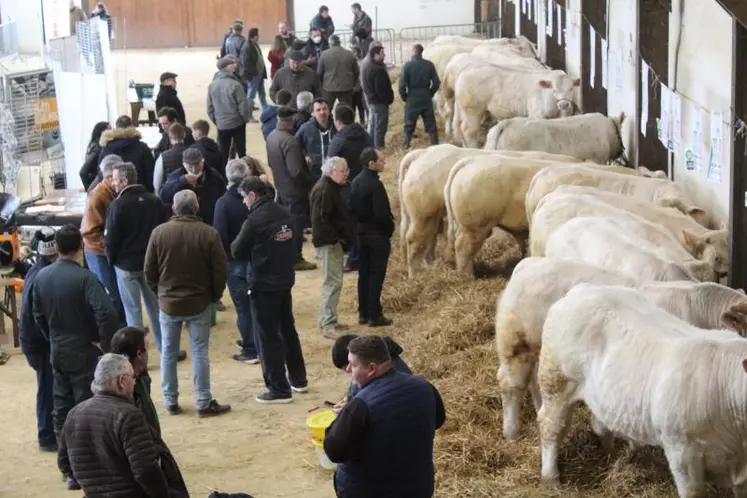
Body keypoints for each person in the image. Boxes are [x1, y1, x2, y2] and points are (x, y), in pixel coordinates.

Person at [32, 225, 120, 489]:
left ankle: (69, 468)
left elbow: (37, 317)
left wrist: (53, 339)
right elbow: (106, 313)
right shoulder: (85, 278)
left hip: (58, 349)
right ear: (80, 247)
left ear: (57, 249)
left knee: (62, 409)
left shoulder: (41, 277)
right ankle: (87, 468)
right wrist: (104, 343)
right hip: (84, 350)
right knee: (85, 409)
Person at [323, 335, 446, 498]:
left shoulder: (361, 405)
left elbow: (334, 451)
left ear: (372, 368)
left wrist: (344, 416)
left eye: (352, 365)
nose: (349, 371)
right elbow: (438, 420)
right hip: (418, 487)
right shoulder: (424, 386)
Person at [144, 190, 231, 417]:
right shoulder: (208, 234)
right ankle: (203, 401)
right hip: (199, 303)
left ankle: (170, 401)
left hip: (168, 304)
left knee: (168, 353)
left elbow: (149, 271)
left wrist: (160, 294)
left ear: (174, 208)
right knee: (200, 352)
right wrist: (214, 296)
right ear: (197, 206)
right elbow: (220, 271)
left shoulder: (159, 233)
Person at [231, 178, 308, 404]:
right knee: (287, 329)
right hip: (285, 279)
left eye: (244, 197)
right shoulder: (285, 213)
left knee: (267, 337)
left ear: (252, 195)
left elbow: (236, 250)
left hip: (263, 284)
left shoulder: (254, 221)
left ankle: (278, 388)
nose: (244, 202)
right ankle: (298, 378)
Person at [57, 353, 177, 497]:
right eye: (132, 377)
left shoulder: (74, 414)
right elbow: (146, 470)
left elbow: (64, 463)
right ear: (121, 381)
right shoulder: (129, 415)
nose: (134, 382)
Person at [105, 162, 188, 362]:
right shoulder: (154, 201)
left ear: (125, 181)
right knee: (157, 309)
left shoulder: (117, 205)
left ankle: (136, 358)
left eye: (115, 180)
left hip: (125, 265)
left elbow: (111, 239)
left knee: (132, 313)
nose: (113, 184)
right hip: (151, 264)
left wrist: (112, 260)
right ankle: (168, 350)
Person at [110, 327, 189, 496]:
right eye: (147, 347)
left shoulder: (141, 377)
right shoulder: (123, 390)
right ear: (139, 353)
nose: (149, 352)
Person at [213, 159, 261, 364]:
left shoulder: (223, 203)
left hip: (234, 261)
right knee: (252, 304)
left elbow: (219, 235)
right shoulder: (256, 198)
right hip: (255, 257)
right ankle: (252, 340)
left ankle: (251, 349)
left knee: (243, 307)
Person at [19, 229, 59, 452]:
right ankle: (46, 435)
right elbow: (37, 320)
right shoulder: (43, 277)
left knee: (48, 386)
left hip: (34, 340)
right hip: (38, 343)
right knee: (46, 388)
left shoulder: (38, 270)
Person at [266, 106, 316, 271]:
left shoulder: (272, 136)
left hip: (281, 186)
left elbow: (271, 163)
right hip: (294, 190)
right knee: (296, 225)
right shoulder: (290, 141)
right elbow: (296, 171)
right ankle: (295, 259)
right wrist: (311, 182)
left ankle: (284, 255)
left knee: (284, 225)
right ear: (293, 119)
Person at [310, 157, 353, 339]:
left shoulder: (329, 187)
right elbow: (320, 220)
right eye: (343, 171)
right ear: (332, 172)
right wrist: (335, 239)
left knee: (333, 281)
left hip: (330, 242)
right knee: (332, 282)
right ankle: (328, 323)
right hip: (328, 243)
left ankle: (329, 319)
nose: (347, 174)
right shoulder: (325, 190)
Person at [350, 148, 394, 327]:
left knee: (364, 274)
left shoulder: (356, 181)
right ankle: (375, 315)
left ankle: (363, 312)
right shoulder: (376, 185)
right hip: (377, 236)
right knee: (376, 276)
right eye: (381, 160)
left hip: (361, 235)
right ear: (371, 164)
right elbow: (382, 215)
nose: (383, 162)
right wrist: (389, 229)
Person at [81, 154, 126, 323]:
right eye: (117, 178)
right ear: (108, 177)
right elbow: (89, 231)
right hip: (98, 252)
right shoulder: (97, 196)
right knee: (111, 294)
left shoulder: (114, 192)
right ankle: (116, 330)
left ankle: (125, 327)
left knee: (119, 293)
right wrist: (110, 245)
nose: (121, 181)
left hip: (110, 250)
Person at [328, 104, 373, 273]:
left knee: (351, 225)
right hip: (367, 184)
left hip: (346, 188)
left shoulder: (339, 141)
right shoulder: (366, 135)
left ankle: (354, 259)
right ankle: (361, 256)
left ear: (337, 121)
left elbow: (330, 166)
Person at [331, 333, 412, 399]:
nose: (349, 370)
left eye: (352, 366)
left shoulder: (391, 372)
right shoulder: (375, 359)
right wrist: (348, 399)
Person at [159, 147, 226, 226]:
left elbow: (223, 197)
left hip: (209, 221)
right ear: (184, 165)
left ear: (203, 161)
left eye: (197, 165)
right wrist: (182, 181)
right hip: (183, 222)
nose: (194, 170)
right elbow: (163, 196)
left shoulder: (214, 175)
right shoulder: (175, 176)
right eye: (190, 167)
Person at [209, 55, 251, 169]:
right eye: (232, 64)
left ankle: (225, 175)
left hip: (222, 125)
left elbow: (210, 108)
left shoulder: (212, 85)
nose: (235, 65)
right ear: (226, 67)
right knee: (242, 152)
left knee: (223, 153)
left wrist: (217, 121)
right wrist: (244, 119)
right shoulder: (236, 85)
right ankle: (245, 173)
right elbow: (243, 106)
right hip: (237, 123)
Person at [98, 115, 156, 193]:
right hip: (139, 193)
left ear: (116, 127)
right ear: (132, 126)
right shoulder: (142, 147)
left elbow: (100, 172)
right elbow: (150, 172)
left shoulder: (106, 148)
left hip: (113, 194)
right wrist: (149, 192)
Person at [399, 43, 441, 148]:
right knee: (430, 123)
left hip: (412, 97)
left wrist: (405, 97)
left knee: (409, 123)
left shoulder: (407, 66)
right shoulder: (429, 65)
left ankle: (405, 144)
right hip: (426, 96)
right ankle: (435, 145)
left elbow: (401, 85)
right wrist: (430, 93)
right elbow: (436, 82)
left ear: (413, 52)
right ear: (421, 52)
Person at [296, 97, 336, 186]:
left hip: (334, 173)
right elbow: (296, 144)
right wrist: (304, 155)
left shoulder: (337, 126)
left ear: (329, 111)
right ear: (313, 113)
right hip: (314, 175)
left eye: (324, 109)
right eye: (318, 110)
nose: (322, 112)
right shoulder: (305, 128)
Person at [362, 45, 393, 150]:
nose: (384, 55)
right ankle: (379, 147)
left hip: (371, 100)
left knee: (373, 124)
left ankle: (370, 145)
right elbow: (382, 89)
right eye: (382, 54)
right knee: (380, 125)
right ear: (376, 55)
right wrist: (388, 100)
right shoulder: (377, 70)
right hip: (379, 102)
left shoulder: (366, 65)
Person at [317, 35, 359, 109]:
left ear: (329, 44)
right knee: (346, 110)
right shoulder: (349, 54)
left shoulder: (324, 54)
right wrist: (353, 83)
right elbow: (356, 71)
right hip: (346, 87)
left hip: (329, 87)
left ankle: (329, 120)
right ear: (340, 43)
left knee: (327, 110)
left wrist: (321, 85)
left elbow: (319, 72)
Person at [240, 27, 268, 123]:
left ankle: (266, 112)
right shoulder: (247, 47)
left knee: (262, 94)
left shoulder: (255, 45)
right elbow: (245, 63)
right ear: (253, 36)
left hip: (259, 75)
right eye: (257, 35)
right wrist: (254, 73)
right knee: (250, 97)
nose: (258, 37)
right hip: (253, 76)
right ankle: (248, 116)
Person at [153, 122, 189, 192]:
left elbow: (156, 184)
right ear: (184, 135)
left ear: (169, 137)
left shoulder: (163, 157)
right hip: (190, 195)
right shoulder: (192, 152)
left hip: (170, 196)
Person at [79, 121, 110, 190]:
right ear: (102, 132)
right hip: (96, 184)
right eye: (109, 129)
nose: (112, 132)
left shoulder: (96, 145)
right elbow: (83, 172)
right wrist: (90, 190)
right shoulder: (97, 148)